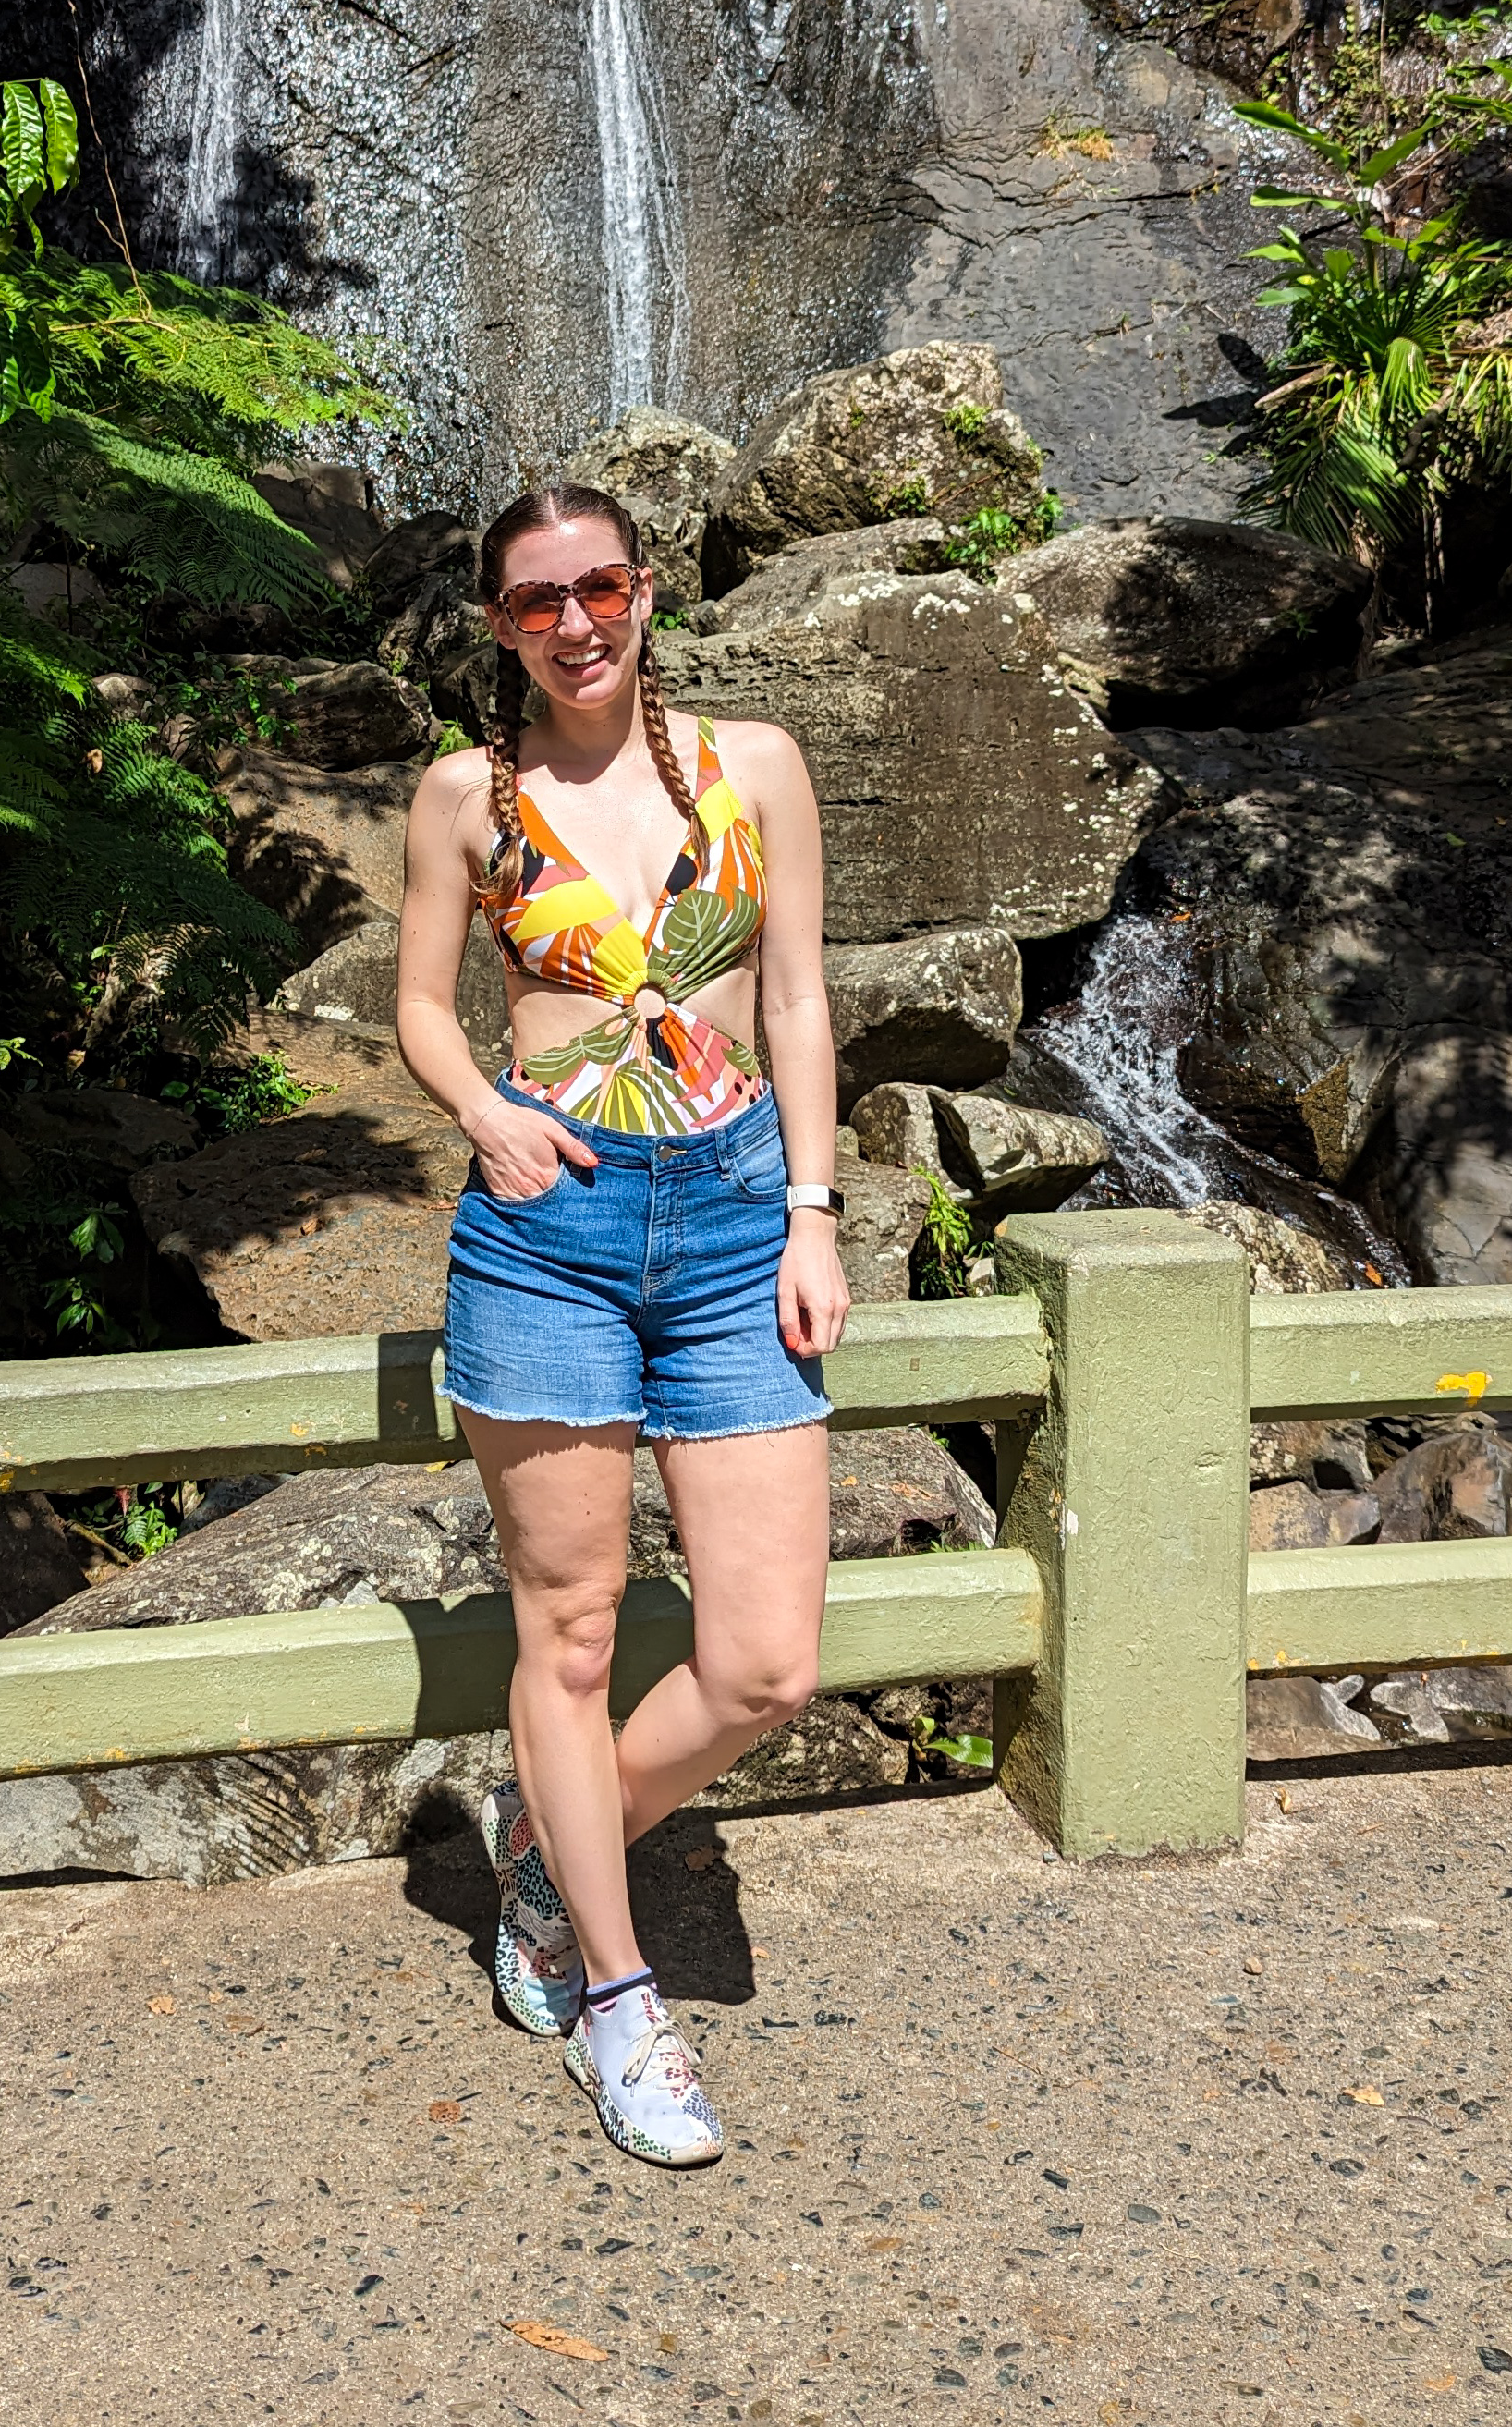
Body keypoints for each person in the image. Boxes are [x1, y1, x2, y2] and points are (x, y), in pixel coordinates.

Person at [395, 482, 848, 2168]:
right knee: (570, 1637)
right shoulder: (468, 793)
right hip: (549, 1234)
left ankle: (548, 1830)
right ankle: (619, 1997)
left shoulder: (757, 764)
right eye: (536, 601)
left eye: (599, 587)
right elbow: (421, 1005)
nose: (574, 623)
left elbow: (795, 995)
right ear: (499, 625)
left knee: (764, 1665)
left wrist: (814, 1210)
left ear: (647, 591)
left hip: (735, 1223)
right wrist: (484, 1114)